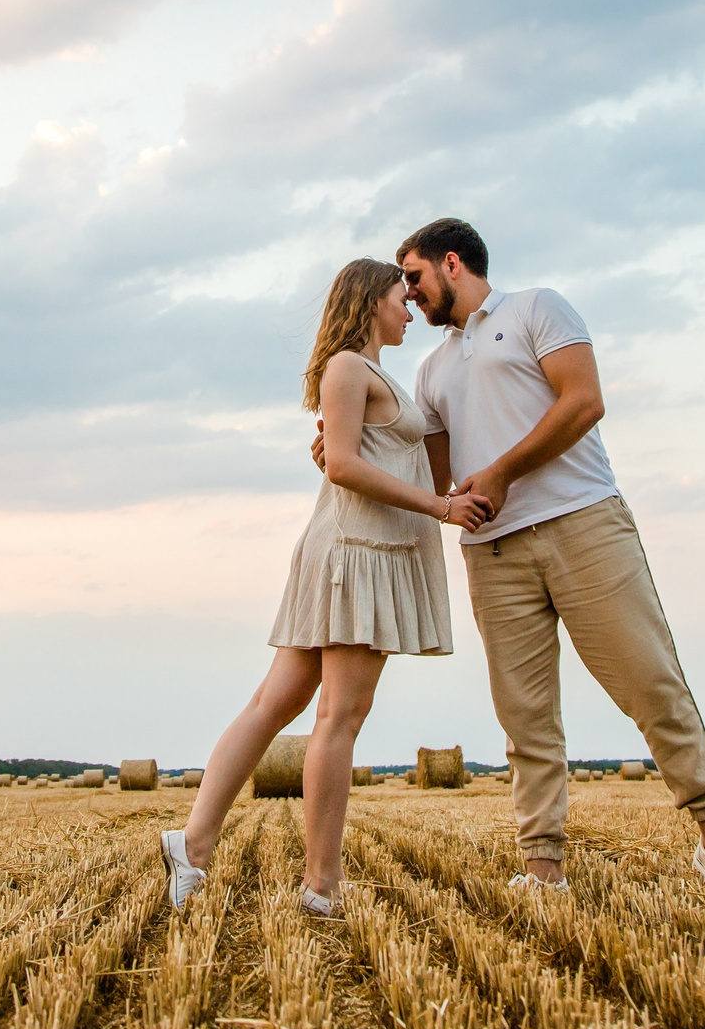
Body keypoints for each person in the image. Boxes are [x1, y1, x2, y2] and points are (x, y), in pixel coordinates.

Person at [380, 217, 705, 893]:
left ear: (451, 262)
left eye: (413, 276)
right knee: (524, 715)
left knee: (650, 678)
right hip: (492, 552)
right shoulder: (430, 373)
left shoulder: (536, 308)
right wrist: (343, 450)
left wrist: (504, 471)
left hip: (582, 522)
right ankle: (543, 868)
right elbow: (438, 482)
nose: (407, 293)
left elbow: (585, 401)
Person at [160, 258, 493, 914]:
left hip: (356, 548)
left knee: (274, 704)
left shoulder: (370, 373)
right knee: (338, 716)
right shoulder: (348, 366)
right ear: (372, 299)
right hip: (353, 553)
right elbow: (340, 463)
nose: (409, 308)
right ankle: (320, 885)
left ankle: (192, 843)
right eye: (402, 296)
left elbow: (363, 454)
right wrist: (439, 509)